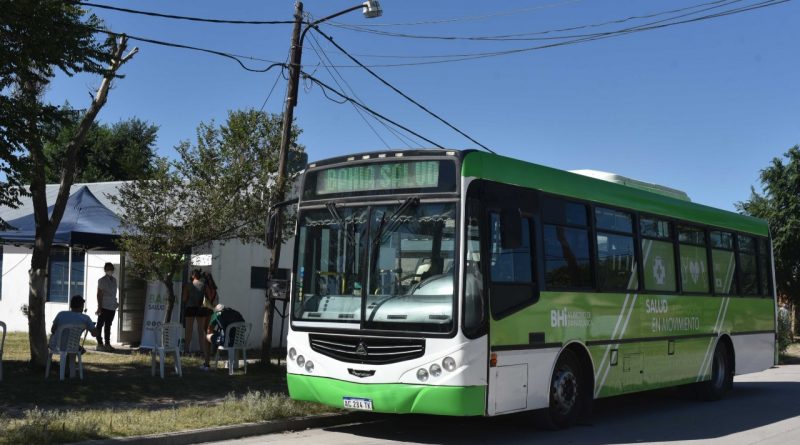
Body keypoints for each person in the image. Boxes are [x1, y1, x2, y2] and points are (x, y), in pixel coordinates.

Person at [183, 269, 211, 370]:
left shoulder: (188, 285)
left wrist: (188, 300)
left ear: (192, 276)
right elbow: (209, 297)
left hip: (190, 308)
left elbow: (184, 298)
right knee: (201, 330)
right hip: (201, 309)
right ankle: (202, 351)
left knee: (189, 330)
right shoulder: (204, 285)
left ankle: (186, 350)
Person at [95, 262, 118, 351]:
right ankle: (99, 343)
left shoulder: (114, 280)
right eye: (108, 269)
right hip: (104, 306)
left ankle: (107, 344)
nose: (110, 270)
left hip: (112, 306)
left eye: (111, 268)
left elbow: (113, 293)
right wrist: (99, 306)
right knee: (100, 325)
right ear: (105, 270)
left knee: (108, 325)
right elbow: (99, 294)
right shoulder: (101, 280)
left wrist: (116, 303)